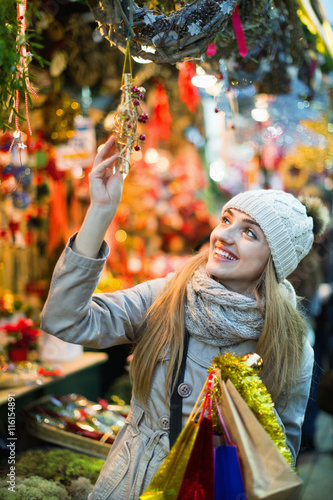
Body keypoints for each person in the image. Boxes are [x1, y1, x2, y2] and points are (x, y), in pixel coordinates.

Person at [41, 136, 329, 500]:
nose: (223, 235)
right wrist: (100, 211)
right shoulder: (168, 295)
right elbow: (64, 320)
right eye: (227, 219)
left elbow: (279, 453)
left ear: (274, 262)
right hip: (132, 484)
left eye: (249, 232)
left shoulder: (287, 343)